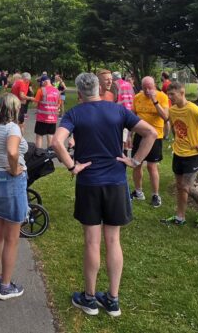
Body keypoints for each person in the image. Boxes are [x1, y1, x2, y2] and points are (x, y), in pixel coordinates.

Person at [50, 72, 157, 318]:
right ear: (99, 88)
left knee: (91, 241)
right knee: (113, 241)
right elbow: (150, 132)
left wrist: (72, 166)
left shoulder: (74, 113)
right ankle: (112, 299)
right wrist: (135, 160)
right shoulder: (117, 111)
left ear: (79, 93)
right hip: (116, 182)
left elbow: (57, 142)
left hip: (89, 183)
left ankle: (89, 298)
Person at [0, 94, 29, 300]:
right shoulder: (12, 128)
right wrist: (14, 169)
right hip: (10, 182)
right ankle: (6, 286)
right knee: (12, 238)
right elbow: (12, 152)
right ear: (14, 109)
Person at [163, 81, 198, 228]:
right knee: (180, 186)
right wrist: (177, 141)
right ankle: (180, 217)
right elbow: (174, 127)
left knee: (186, 186)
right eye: (168, 94)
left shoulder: (193, 109)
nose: (170, 97)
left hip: (193, 155)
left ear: (182, 93)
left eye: (172, 94)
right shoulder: (173, 110)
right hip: (178, 153)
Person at [130, 76, 169, 207]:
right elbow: (132, 117)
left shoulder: (162, 96)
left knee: (152, 166)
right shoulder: (137, 98)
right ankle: (138, 192)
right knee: (136, 164)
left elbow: (165, 117)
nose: (147, 90)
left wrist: (155, 101)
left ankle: (155, 195)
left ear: (155, 85)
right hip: (140, 135)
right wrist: (129, 135)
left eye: (150, 87)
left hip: (155, 136)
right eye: (144, 87)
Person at [33, 76, 60, 149]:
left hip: (42, 118)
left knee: (39, 136)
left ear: (44, 81)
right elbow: (58, 104)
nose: (41, 84)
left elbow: (35, 104)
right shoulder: (57, 91)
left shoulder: (41, 90)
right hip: (52, 119)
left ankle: (38, 154)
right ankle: (49, 153)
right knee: (50, 135)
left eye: (41, 82)